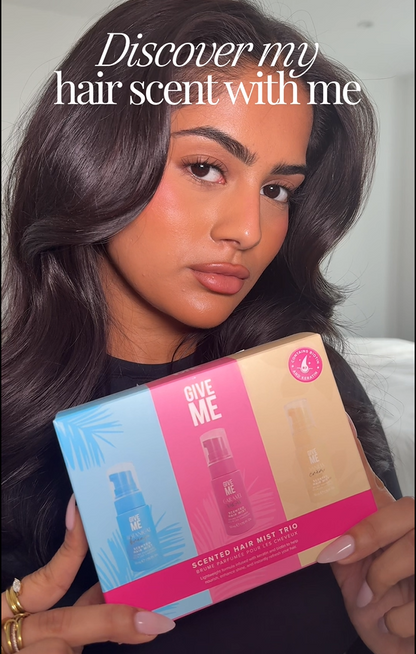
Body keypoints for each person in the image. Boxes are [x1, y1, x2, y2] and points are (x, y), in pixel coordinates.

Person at [1, 0, 414, 652]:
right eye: (204, 167)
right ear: (91, 157)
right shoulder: (13, 415)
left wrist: (390, 630)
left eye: (277, 190)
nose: (248, 230)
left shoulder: (308, 381)